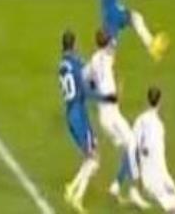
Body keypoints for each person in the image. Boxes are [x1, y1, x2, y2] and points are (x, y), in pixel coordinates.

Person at [84, 29, 151, 210]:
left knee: (130, 148)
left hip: (108, 115)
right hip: (111, 116)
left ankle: (116, 187)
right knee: (133, 146)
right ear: (106, 44)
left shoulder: (94, 61)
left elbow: (85, 79)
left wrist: (95, 87)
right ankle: (134, 190)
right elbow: (113, 46)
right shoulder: (107, 57)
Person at [59, 30, 103, 213]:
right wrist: (103, 96)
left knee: (91, 156)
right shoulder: (77, 63)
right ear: (74, 44)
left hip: (72, 113)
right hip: (79, 116)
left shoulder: (62, 64)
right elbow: (87, 85)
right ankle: (75, 195)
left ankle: (72, 191)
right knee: (94, 160)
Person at [133, 87, 175, 214]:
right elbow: (157, 155)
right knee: (174, 208)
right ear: (160, 101)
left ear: (147, 100)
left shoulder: (139, 121)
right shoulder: (159, 126)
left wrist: (137, 176)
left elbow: (134, 149)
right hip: (156, 177)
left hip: (150, 176)